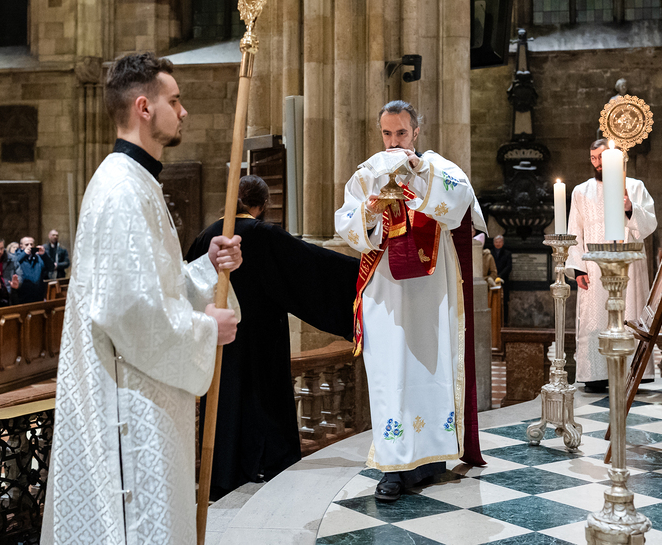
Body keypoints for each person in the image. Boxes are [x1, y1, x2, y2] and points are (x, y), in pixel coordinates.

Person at [42, 52, 242, 545]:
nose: (184, 111)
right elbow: (127, 310)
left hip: (149, 395)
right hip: (130, 408)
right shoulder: (121, 189)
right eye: (175, 100)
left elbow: (154, 286)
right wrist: (204, 328)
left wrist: (207, 269)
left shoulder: (137, 182)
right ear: (144, 108)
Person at [334, 100, 485, 503]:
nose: (394, 141)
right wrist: (370, 212)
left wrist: (422, 175)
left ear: (416, 132)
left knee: (431, 367)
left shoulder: (438, 167)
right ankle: (393, 466)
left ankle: (430, 461)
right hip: (386, 291)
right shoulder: (367, 173)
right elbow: (346, 223)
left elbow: (461, 204)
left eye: (401, 133)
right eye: (387, 133)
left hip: (432, 289)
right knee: (390, 373)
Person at [186, 175, 359, 499]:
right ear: (264, 204)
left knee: (224, 403)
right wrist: (360, 271)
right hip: (261, 342)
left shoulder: (207, 236)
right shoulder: (263, 234)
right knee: (261, 401)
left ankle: (223, 470)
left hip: (219, 340)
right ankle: (266, 462)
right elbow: (311, 267)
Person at [566, 138, 658, 393]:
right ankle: (595, 374)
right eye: (593, 158)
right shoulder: (581, 191)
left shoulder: (635, 187)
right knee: (595, 317)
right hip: (594, 268)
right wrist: (578, 269)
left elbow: (650, 223)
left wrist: (630, 208)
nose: (597, 163)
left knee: (629, 314)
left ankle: (632, 373)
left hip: (628, 265)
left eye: (601, 157)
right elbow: (575, 231)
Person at [13, 237, 55, 303]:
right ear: (21, 246)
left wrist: (44, 255)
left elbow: (51, 267)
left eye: (31, 244)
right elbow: (13, 265)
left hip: (38, 294)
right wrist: (24, 254)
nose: (30, 246)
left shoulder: (38, 256)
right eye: (27, 245)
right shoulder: (15, 256)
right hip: (22, 294)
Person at [489, 234, 512, 323]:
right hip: (492, 279)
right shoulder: (490, 253)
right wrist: (493, 275)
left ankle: (504, 322)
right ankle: (493, 321)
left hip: (503, 280)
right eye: (496, 242)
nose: (498, 244)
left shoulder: (507, 253)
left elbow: (508, 267)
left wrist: (500, 276)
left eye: (499, 242)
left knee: (504, 301)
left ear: (502, 242)